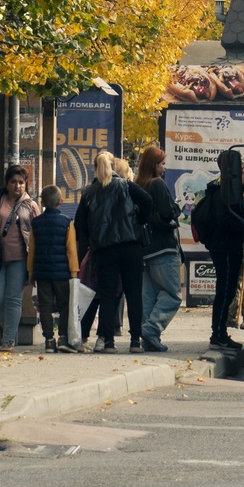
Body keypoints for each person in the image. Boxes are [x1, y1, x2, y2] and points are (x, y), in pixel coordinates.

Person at [73, 150, 153, 353]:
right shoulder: (126, 185)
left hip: (104, 250)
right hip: (131, 246)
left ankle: (108, 341)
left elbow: (80, 223)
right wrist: (139, 220)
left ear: (95, 168)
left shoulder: (89, 193)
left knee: (107, 294)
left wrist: (94, 234)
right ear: (114, 167)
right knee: (134, 293)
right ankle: (135, 341)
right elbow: (147, 201)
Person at [134, 146, 183, 354]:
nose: (164, 167)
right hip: (163, 247)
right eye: (162, 163)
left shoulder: (138, 185)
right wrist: (176, 208)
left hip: (144, 249)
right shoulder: (158, 185)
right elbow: (166, 213)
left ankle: (148, 339)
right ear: (153, 165)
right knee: (172, 295)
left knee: (149, 296)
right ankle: (151, 330)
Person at [203, 147, 244, 352]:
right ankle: (218, 334)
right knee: (225, 290)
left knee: (226, 290)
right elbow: (226, 220)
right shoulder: (226, 193)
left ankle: (220, 332)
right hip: (226, 247)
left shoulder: (228, 189)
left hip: (225, 247)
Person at [0, 165, 38, 351]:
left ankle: (8, 339)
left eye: (21, 182)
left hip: (20, 259)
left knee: (13, 299)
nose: (17, 186)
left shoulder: (30, 205)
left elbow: (36, 233)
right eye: (13, 182)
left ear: (25, 185)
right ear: (7, 184)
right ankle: (11, 331)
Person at [28, 186, 81, 353]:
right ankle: (63, 338)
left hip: (42, 273)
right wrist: (74, 272)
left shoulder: (35, 223)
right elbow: (71, 250)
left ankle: (49, 340)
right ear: (61, 201)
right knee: (64, 305)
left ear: (42, 202)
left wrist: (31, 272)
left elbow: (32, 250)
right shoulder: (67, 222)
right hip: (63, 274)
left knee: (45, 305)